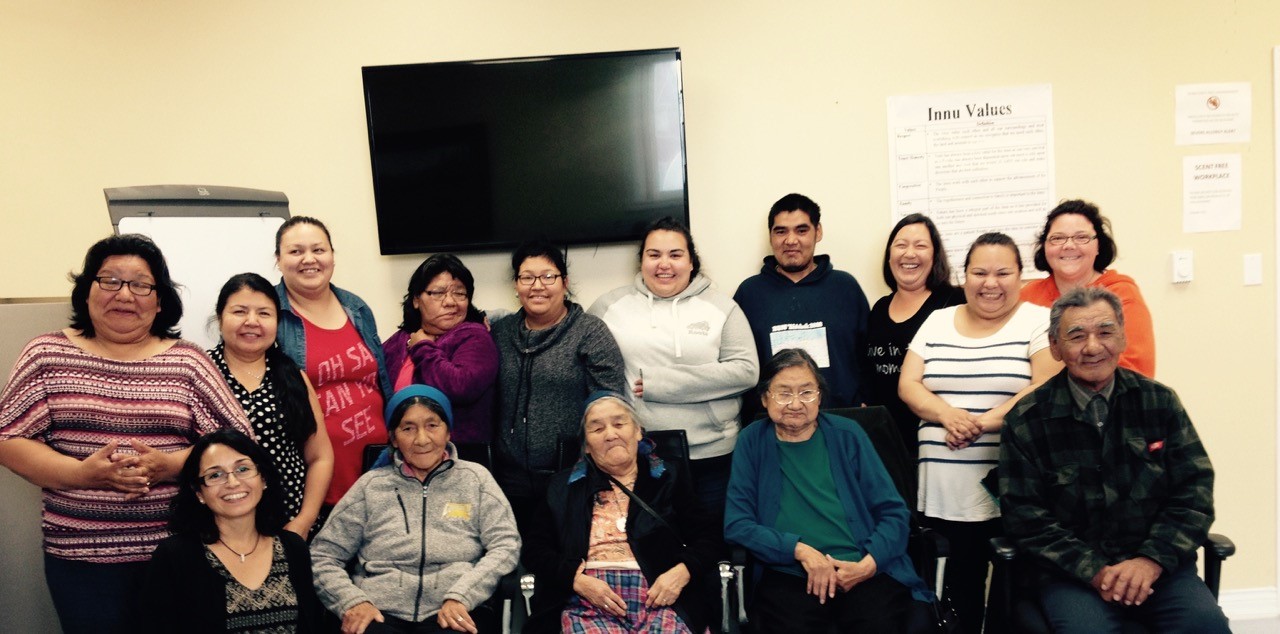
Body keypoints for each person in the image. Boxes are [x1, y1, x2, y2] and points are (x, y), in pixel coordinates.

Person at [0, 234, 253, 634]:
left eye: (141, 285)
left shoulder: (187, 360)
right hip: (81, 560)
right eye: (110, 280)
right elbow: (9, 438)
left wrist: (170, 466)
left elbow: (239, 444)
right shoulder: (46, 354)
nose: (124, 294)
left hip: (182, 551)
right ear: (86, 292)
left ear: (160, 300)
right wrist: (82, 474)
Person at [1000, 287, 1229, 633]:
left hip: (1159, 568)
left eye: (1105, 332)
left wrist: (1150, 561)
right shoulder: (1027, 420)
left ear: (1123, 337)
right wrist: (1096, 572)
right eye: (1077, 336)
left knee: (1205, 626)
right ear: (1055, 347)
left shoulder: (1160, 402)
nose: (1093, 347)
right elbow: (1025, 518)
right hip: (1072, 576)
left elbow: (1193, 493)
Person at [898, 232, 1062, 634]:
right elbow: (908, 385)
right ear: (964, 275)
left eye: (1003, 272)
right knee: (956, 599)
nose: (991, 282)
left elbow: (1044, 387)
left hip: (1008, 488)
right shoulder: (937, 320)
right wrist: (949, 415)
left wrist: (981, 422)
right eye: (979, 272)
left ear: (1020, 276)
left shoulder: (1038, 320)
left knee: (1011, 599)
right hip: (940, 489)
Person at [724, 349, 930, 632]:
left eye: (807, 392)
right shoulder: (751, 441)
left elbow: (894, 512)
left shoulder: (849, 434)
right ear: (764, 398)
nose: (796, 404)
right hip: (789, 573)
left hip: (861, 566)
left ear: (820, 396)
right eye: (783, 393)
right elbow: (737, 524)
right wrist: (799, 551)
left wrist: (868, 565)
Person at [588, 216, 758, 525]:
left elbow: (746, 371)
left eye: (675, 255)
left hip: (712, 456)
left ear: (692, 261)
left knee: (710, 548)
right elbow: (577, 346)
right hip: (639, 456)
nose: (664, 264)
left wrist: (661, 383)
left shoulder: (722, 307)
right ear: (641, 261)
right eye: (654, 254)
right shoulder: (609, 306)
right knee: (654, 550)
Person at [311, 385, 520, 634]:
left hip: (454, 609)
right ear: (393, 437)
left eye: (432, 425)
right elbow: (323, 555)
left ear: (448, 431)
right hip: (379, 610)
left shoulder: (476, 479)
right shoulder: (371, 486)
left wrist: (463, 595)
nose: (422, 439)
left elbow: (506, 545)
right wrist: (353, 601)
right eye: (408, 428)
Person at [523, 392, 719, 634]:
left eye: (619, 424)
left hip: (662, 598)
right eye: (597, 429)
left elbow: (709, 537)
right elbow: (535, 550)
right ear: (586, 445)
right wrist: (577, 581)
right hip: (588, 602)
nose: (610, 435)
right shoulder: (562, 487)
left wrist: (682, 572)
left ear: (638, 432)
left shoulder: (668, 477)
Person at [491, 239, 626, 532]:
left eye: (548, 276)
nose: (537, 285)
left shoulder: (590, 332)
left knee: (564, 565)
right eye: (527, 277)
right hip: (508, 479)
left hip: (571, 477)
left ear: (564, 283)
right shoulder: (500, 333)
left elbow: (612, 401)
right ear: (516, 285)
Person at [138, 429, 323, 632]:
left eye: (243, 469)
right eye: (215, 475)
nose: (233, 483)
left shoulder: (293, 547)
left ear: (263, 479)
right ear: (199, 492)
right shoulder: (175, 556)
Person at [273, 216, 391, 514]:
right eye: (296, 251)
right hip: (314, 484)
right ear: (278, 260)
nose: (309, 259)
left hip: (378, 472)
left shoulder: (356, 307)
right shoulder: (270, 313)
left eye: (319, 250)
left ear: (332, 257)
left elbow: (381, 381)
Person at [209, 272, 334, 537]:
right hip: (220, 526)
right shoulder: (202, 372)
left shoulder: (292, 376)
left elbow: (320, 456)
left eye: (264, 313)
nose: (251, 322)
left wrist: (303, 521)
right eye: (240, 311)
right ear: (220, 319)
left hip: (291, 522)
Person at [733, 193, 872, 416]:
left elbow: (868, 355)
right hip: (771, 426)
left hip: (842, 420)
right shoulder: (749, 294)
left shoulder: (845, 287)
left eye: (801, 230)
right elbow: (738, 365)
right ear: (770, 236)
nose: (790, 240)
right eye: (781, 231)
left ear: (818, 232)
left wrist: (866, 402)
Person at [863, 213, 965, 462]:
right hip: (886, 445)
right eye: (901, 245)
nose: (909, 254)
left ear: (935, 255)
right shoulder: (878, 309)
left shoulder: (954, 303)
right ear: (889, 256)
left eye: (920, 245)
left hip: (942, 439)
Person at [1020, 199, 1156, 377]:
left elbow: (1135, 371)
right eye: (1058, 238)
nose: (1068, 245)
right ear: (1044, 246)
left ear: (1098, 246)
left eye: (1081, 237)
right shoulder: (1026, 296)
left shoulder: (1122, 293)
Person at [383, 254, 499, 444]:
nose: (450, 302)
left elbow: (461, 386)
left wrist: (422, 347)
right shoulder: (399, 341)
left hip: (459, 461)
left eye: (460, 293)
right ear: (416, 300)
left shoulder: (475, 337)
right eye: (438, 293)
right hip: (401, 459)